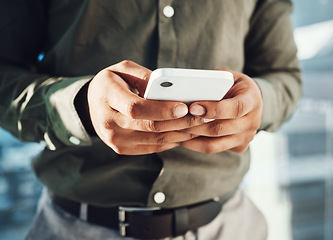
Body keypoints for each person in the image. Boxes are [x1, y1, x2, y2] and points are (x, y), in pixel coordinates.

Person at [0, 0, 302, 239]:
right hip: (74, 230)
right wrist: (79, 106)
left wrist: (259, 102)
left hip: (230, 226)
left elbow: (284, 76)